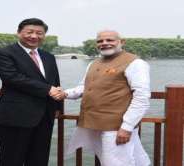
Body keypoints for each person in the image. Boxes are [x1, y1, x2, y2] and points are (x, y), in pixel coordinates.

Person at [62, 30, 151, 166]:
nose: (104, 43)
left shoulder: (136, 63)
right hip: (94, 124)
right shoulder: (93, 63)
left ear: (121, 42)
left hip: (117, 126)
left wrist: (127, 127)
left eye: (110, 40)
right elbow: (83, 88)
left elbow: (142, 98)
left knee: (117, 162)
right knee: (119, 159)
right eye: (100, 41)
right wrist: (64, 94)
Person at [0, 18, 63, 166]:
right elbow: (12, 78)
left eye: (39, 33)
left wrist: (57, 107)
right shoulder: (4, 53)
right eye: (29, 32)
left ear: (44, 35)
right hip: (16, 116)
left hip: (45, 116)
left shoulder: (48, 56)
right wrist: (48, 89)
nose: (34, 36)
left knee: (39, 159)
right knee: (11, 160)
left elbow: (55, 82)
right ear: (19, 33)